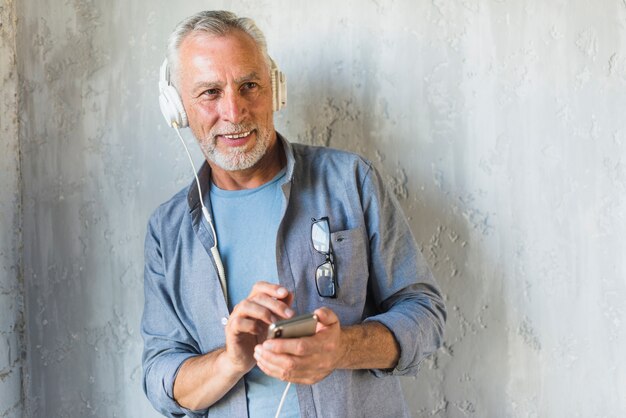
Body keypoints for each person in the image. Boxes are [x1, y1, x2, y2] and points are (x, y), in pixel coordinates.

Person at [141, 10, 446, 418]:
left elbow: (425, 315)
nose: (234, 112)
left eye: (249, 85)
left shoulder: (350, 180)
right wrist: (230, 360)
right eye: (210, 93)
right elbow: (162, 379)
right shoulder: (167, 231)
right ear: (177, 108)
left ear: (275, 89)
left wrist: (341, 350)